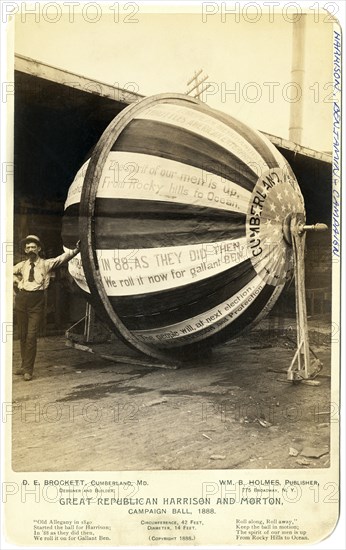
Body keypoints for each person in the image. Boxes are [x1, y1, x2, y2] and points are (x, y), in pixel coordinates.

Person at [13, 235, 80, 381]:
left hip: (36, 302)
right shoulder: (22, 265)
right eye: (28, 247)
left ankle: (28, 370)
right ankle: (24, 365)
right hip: (22, 299)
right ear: (25, 250)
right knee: (23, 335)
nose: (31, 249)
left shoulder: (46, 264)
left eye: (33, 247)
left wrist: (77, 249)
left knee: (31, 336)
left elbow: (62, 258)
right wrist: (17, 282)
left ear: (39, 249)